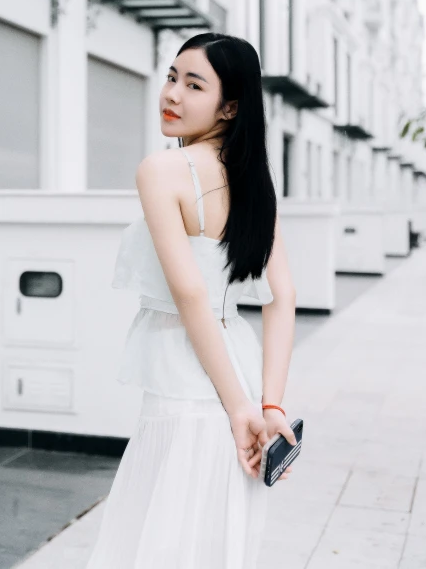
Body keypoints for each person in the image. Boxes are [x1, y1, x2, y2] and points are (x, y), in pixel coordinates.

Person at [85, 33, 297, 568]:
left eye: (194, 84)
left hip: (189, 383)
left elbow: (190, 294)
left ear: (230, 106)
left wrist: (239, 409)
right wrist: (266, 405)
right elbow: (283, 298)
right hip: (239, 377)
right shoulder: (254, 182)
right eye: (172, 76)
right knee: (213, 546)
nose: (172, 94)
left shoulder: (161, 170)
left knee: (157, 541)